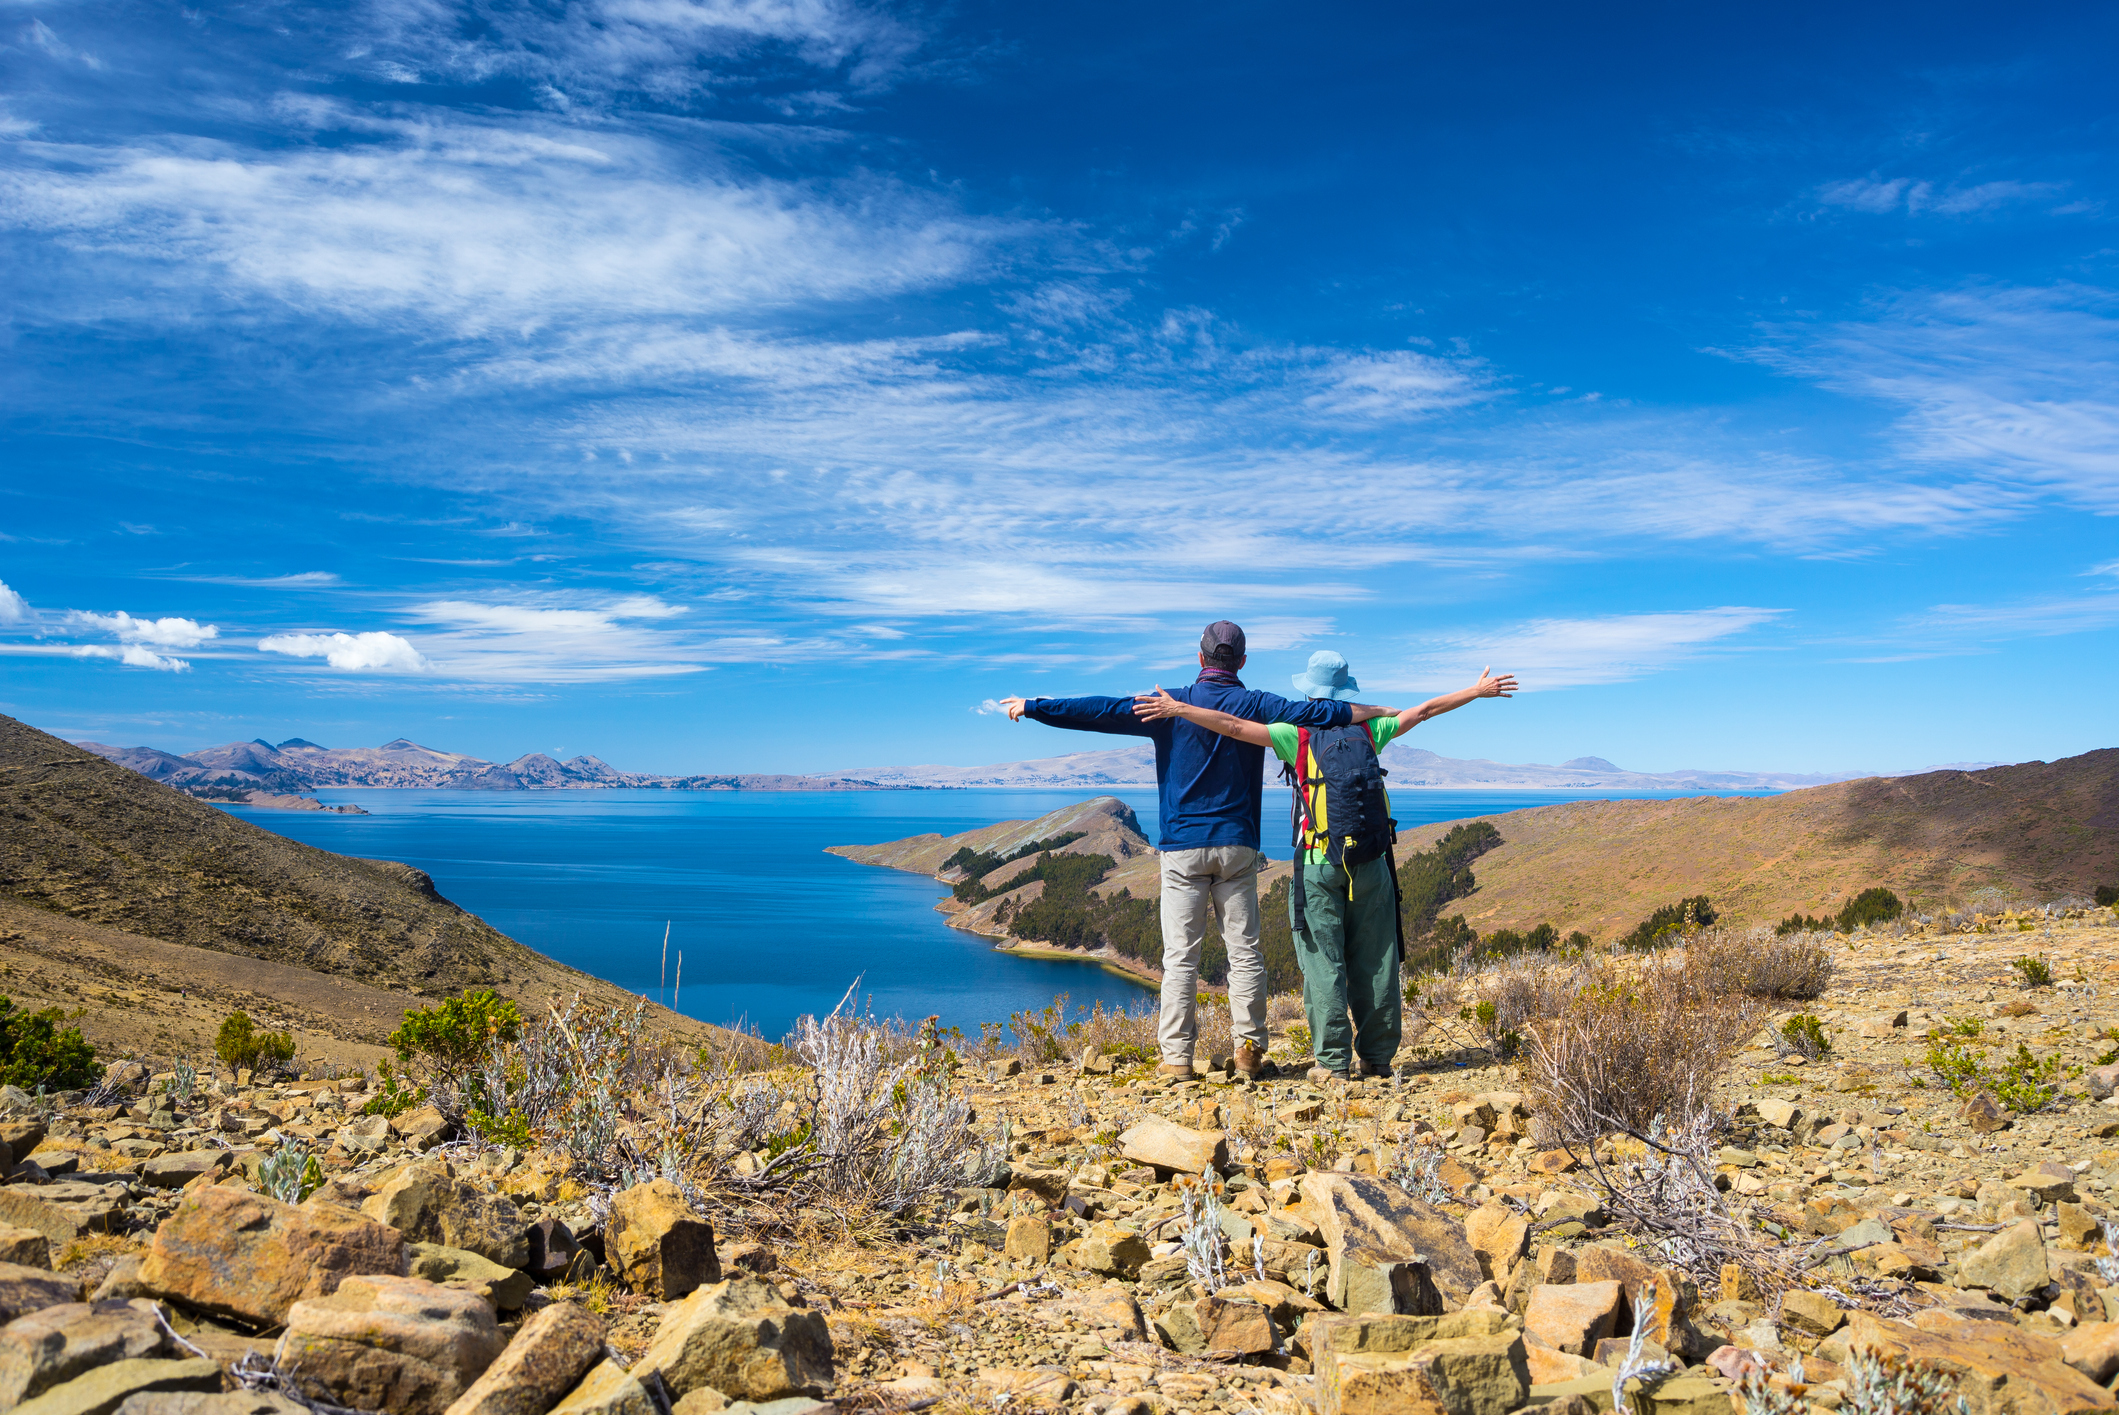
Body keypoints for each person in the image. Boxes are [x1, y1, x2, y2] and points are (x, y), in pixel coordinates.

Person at [997, 622, 1365, 1081]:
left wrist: (1034, 707)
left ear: (1200, 657)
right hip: (1238, 845)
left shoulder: (1167, 703)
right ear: (1243, 662)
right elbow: (1323, 712)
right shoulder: (1260, 704)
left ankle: (1176, 1061)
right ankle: (1249, 1053)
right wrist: (1382, 711)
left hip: (1182, 848)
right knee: (1245, 952)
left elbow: (1100, 711)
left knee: (1180, 958)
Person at [1138, 652, 1517, 1082]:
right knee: (1376, 959)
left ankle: (1332, 1064)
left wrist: (1179, 708)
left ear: (1308, 692)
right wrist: (1477, 690)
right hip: (1371, 862)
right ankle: (1377, 1058)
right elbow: (1426, 709)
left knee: (1323, 964)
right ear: (1346, 690)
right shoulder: (1372, 730)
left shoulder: (1293, 734)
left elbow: (1232, 726)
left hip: (1317, 864)